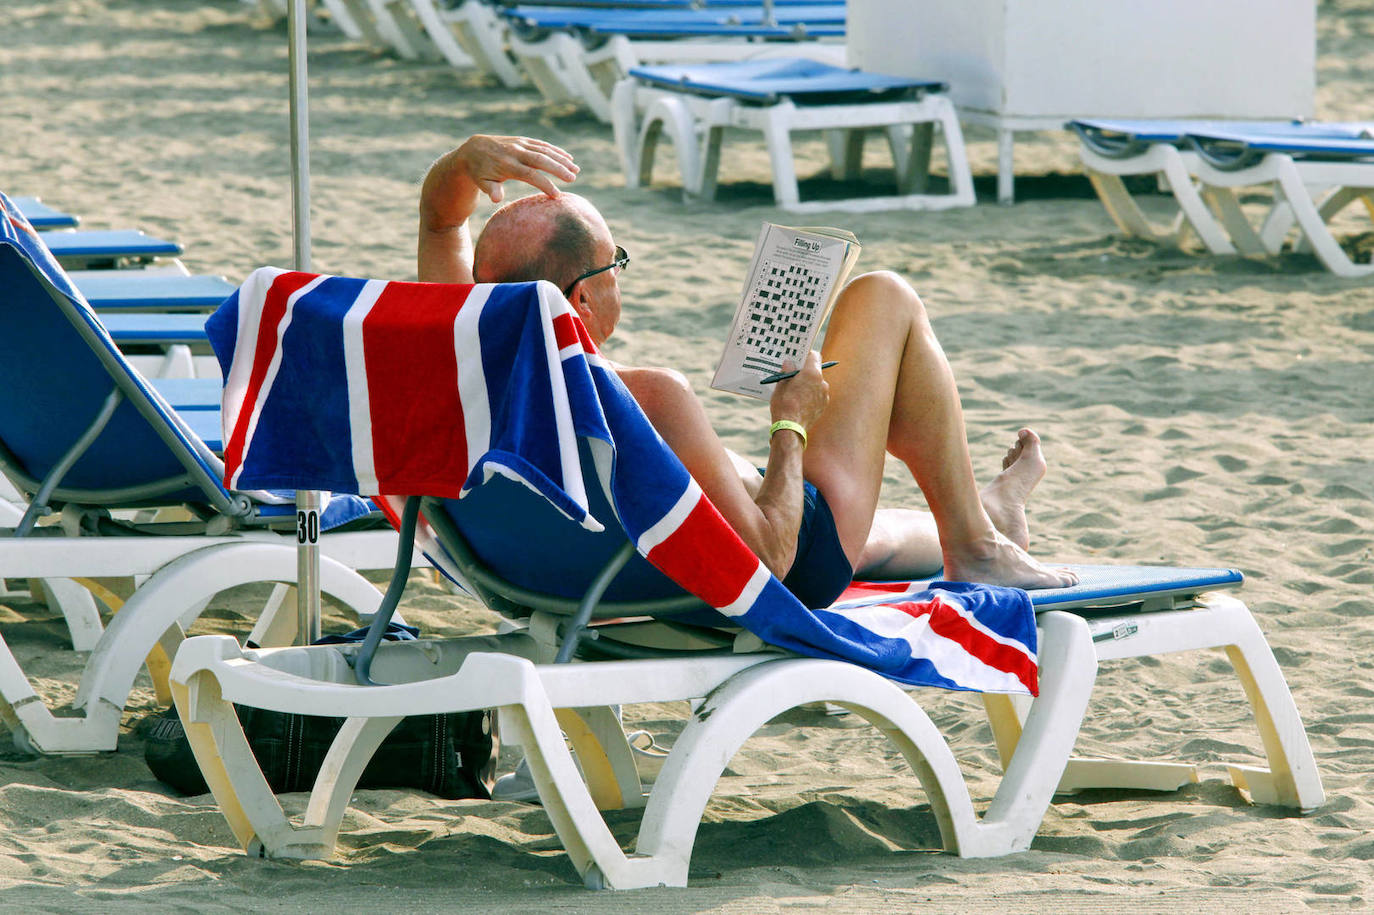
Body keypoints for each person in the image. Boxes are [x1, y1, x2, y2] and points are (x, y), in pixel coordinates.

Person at [417, 134, 1078, 608]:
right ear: (584, 299)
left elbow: (440, 223)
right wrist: (791, 423)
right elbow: (768, 561)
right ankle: (975, 543)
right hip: (762, 567)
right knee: (883, 297)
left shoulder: (457, 364)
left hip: (571, 579)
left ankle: (986, 514)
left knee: (878, 537)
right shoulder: (649, 396)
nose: (622, 274)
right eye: (616, 261)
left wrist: (462, 161)